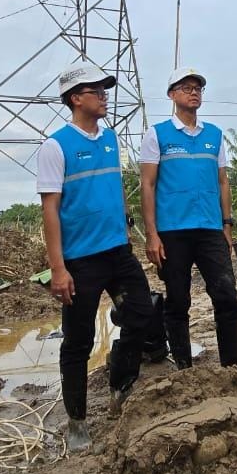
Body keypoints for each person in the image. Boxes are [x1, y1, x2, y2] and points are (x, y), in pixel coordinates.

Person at [37, 60, 155, 453]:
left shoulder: (110, 139)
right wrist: (58, 268)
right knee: (78, 340)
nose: (105, 97)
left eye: (105, 90)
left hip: (118, 252)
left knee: (140, 313)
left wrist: (124, 229)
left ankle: (121, 384)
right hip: (80, 261)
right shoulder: (56, 146)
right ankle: (77, 422)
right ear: (75, 99)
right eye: (97, 92)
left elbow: (116, 189)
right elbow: (50, 209)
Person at [140, 66, 237, 370]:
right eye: (186, 87)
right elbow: (148, 184)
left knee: (227, 296)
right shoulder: (157, 134)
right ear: (172, 95)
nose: (194, 92)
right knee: (178, 301)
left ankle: (231, 366)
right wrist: (152, 234)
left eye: (198, 88)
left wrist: (227, 224)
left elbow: (223, 181)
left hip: (211, 229)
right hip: (172, 232)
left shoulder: (214, 135)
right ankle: (184, 366)